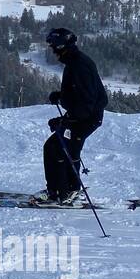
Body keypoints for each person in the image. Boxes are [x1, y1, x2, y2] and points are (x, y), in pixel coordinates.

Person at [34, 28, 108, 204]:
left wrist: (65, 120)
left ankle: (62, 192)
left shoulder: (79, 65)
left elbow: (87, 102)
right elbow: (79, 92)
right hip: (83, 115)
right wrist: (61, 96)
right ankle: (67, 189)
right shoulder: (74, 62)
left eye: (53, 45)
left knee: (57, 148)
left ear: (61, 46)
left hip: (86, 117)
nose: (52, 49)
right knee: (65, 149)